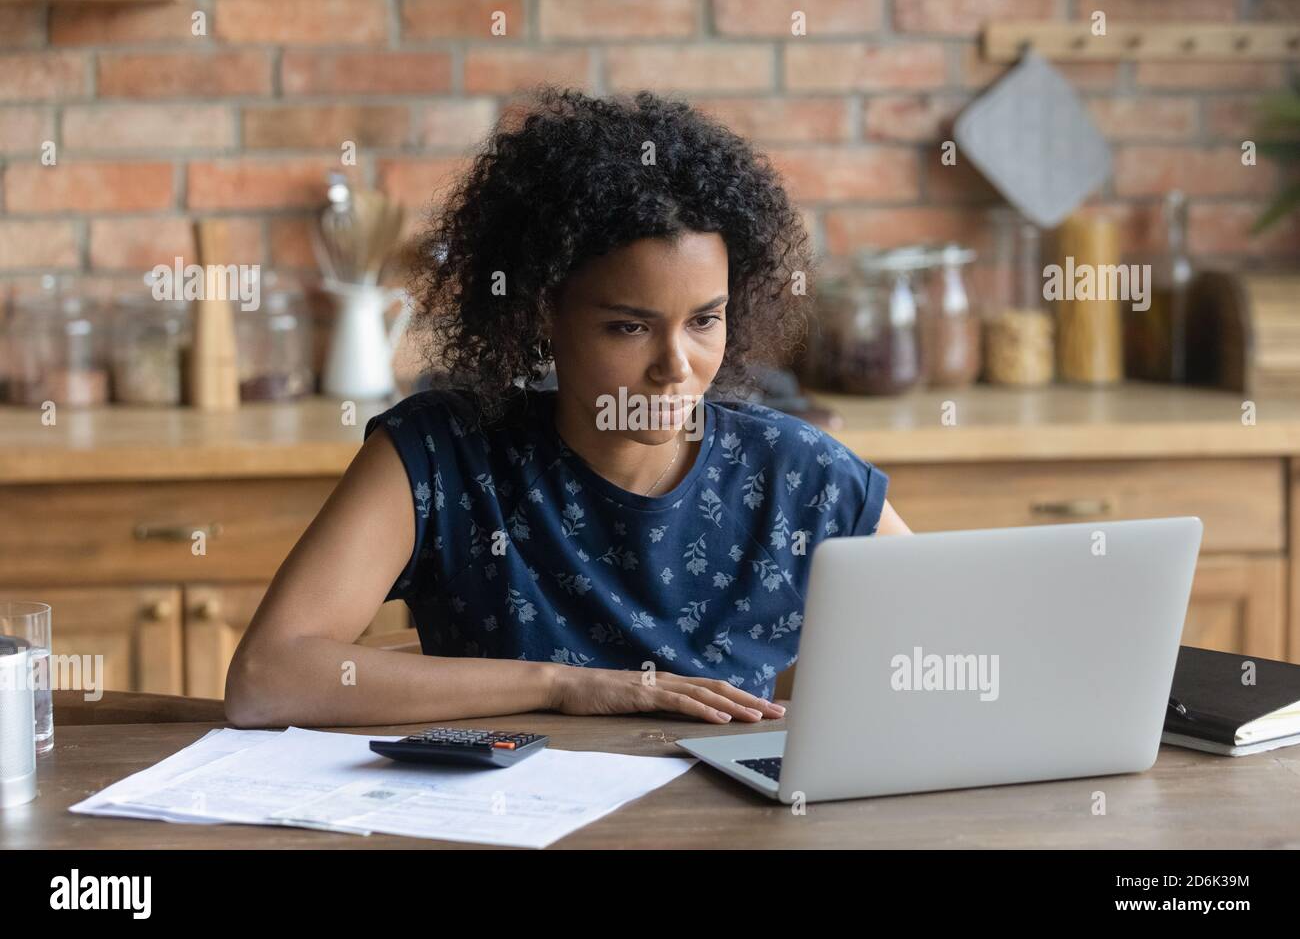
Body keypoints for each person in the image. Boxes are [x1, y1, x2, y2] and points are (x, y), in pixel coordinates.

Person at [225, 87, 911, 729]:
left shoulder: (799, 473)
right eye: (628, 327)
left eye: (704, 321)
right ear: (540, 314)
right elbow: (267, 677)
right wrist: (561, 685)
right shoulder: (441, 454)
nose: (675, 366)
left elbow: (959, 653)